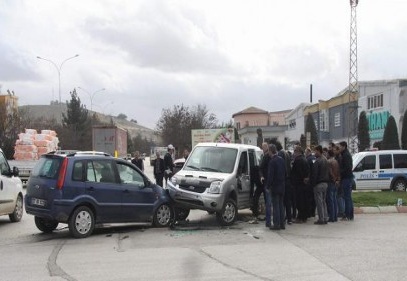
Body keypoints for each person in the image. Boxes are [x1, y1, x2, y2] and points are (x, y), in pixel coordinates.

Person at [266, 144, 286, 230]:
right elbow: (285, 172)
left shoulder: (272, 162)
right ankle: (282, 223)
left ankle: (276, 224)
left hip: (275, 186)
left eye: (268, 151)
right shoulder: (281, 160)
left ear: (270, 151)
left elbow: (270, 176)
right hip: (282, 185)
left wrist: (268, 186)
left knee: (276, 206)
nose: (268, 153)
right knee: (281, 205)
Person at [291, 146, 310, 223]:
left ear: (297, 151)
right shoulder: (305, 159)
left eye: (294, 151)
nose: (294, 153)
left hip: (298, 183)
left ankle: (300, 217)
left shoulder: (298, 160)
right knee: (304, 200)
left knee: (299, 201)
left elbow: (297, 172)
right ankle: (304, 217)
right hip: (304, 184)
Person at [311, 145, 329, 225]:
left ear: (318, 151)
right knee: (324, 202)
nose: (314, 153)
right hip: (325, 183)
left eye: (315, 151)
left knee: (319, 202)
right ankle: (325, 218)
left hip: (318, 184)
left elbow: (314, 174)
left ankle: (321, 219)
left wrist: (313, 184)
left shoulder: (317, 161)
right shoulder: (325, 159)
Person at [252, 142, 269, 220]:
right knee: (258, 197)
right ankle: (256, 212)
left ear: (266, 147)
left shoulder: (266, 156)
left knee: (265, 198)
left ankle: (265, 214)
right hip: (262, 181)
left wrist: (261, 175)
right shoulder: (264, 155)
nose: (262, 149)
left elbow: (261, 167)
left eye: (263, 147)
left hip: (263, 181)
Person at [338, 141, 354, 221]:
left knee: (347, 197)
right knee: (348, 197)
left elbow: (347, 167)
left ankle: (348, 215)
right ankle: (350, 215)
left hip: (346, 178)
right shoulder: (345, 154)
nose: (339, 148)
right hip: (347, 178)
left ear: (344, 146)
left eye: (340, 146)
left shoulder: (346, 155)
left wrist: (340, 172)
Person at [327, 149, 340, 222]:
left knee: (330, 200)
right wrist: (338, 180)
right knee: (334, 199)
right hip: (336, 182)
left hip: (331, 182)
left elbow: (330, 172)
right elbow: (338, 171)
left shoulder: (329, 162)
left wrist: (333, 179)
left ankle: (331, 217)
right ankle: (335, 216)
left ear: (329, 154)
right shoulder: (336, 161)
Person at [305, 147, 316, 218]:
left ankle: (309, 212)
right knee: (313, 198)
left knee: (309, 198)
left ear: (308, 152)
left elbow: (308, 170)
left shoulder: (308, 159)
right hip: (314, 181)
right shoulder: (314, 158)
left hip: (309, 181)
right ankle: (313, 212)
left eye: (306, 152)